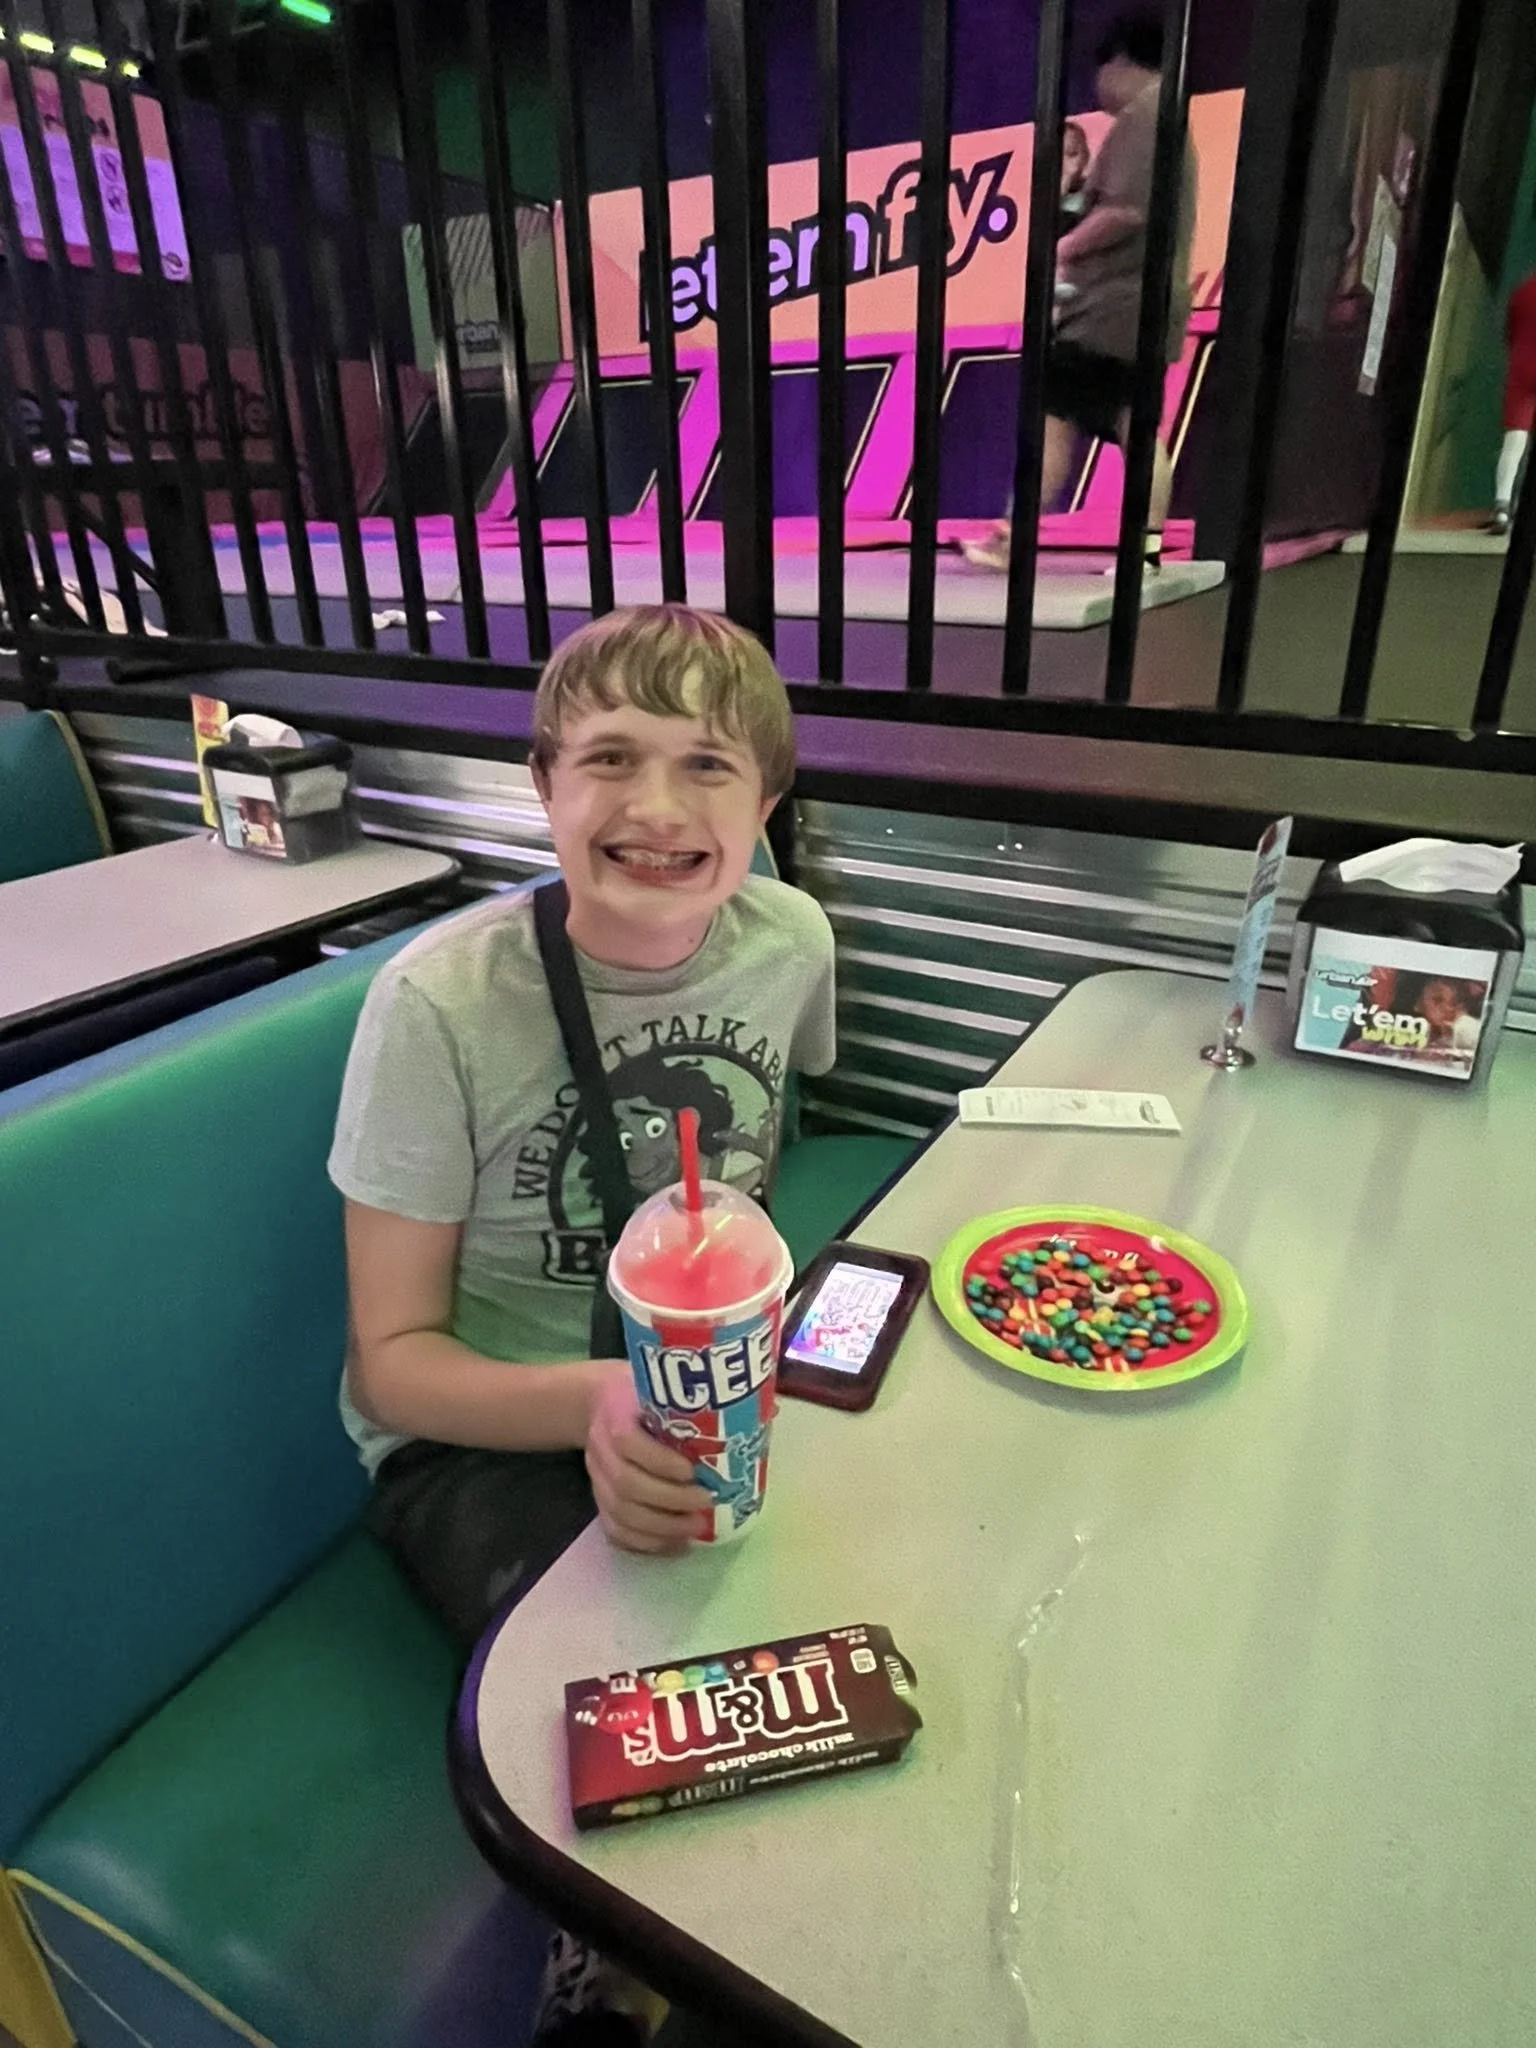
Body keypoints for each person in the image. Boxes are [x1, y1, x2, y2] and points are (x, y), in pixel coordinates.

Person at [327, 604, 836, 2045]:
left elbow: (755, 1160)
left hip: (700, 1384)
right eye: (609, 758)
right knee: (638, 1694)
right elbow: (393, 1366)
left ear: (770, 803)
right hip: (477, 1435)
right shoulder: (435, 1007)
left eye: (708, 765)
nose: (657, 808)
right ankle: (607, 1979)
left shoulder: (788, 938)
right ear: (542, 785)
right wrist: (598, 1408)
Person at [964, 13, 1198, 574]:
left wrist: (1065, 250)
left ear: (1119, 61)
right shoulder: (1171, 118)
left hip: (1109, 312)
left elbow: (1128, 211)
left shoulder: (1146, 118)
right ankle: (1141, 553)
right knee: (1135, 429)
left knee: (1052, 421)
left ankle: (1012, 541)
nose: (1097, 89)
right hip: (1139, 311)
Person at [1492, 272, 1536, 534]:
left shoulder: (1522, 289)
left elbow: (1509, 332)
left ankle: (1502, 506)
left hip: (1521, 367)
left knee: (1515, 439)